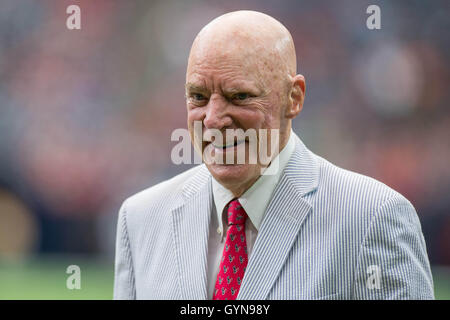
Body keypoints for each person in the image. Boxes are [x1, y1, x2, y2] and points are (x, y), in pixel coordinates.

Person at [113, 10, 434, 300]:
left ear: (293, 98)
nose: (211, 119)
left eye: (238, 96)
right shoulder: (141, 219)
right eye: (198, 96)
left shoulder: (371, 217)